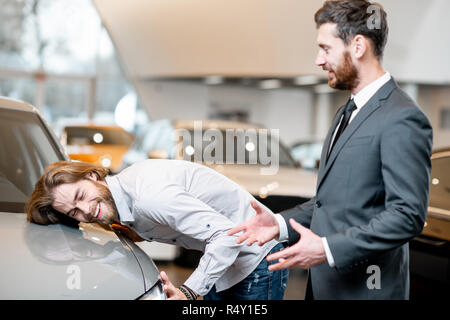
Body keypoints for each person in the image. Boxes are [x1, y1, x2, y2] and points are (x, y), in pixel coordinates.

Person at [229, 0, 433, 300]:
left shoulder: (402, 117)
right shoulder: (346, 112)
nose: (318, 60)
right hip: (326, 287)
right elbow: (331, 204)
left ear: (358, 46)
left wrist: (326, 249)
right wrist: (279, 224)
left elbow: (407, 215)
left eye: (326, 48)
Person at [25, 159, 289, 300]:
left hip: (256, 259)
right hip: (226, 263)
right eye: (74, 212)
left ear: (92, 176)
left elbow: (228, 236)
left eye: (81, 195)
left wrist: (189, 291)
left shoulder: (148, 197)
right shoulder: (125, 198)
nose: (85, 210)